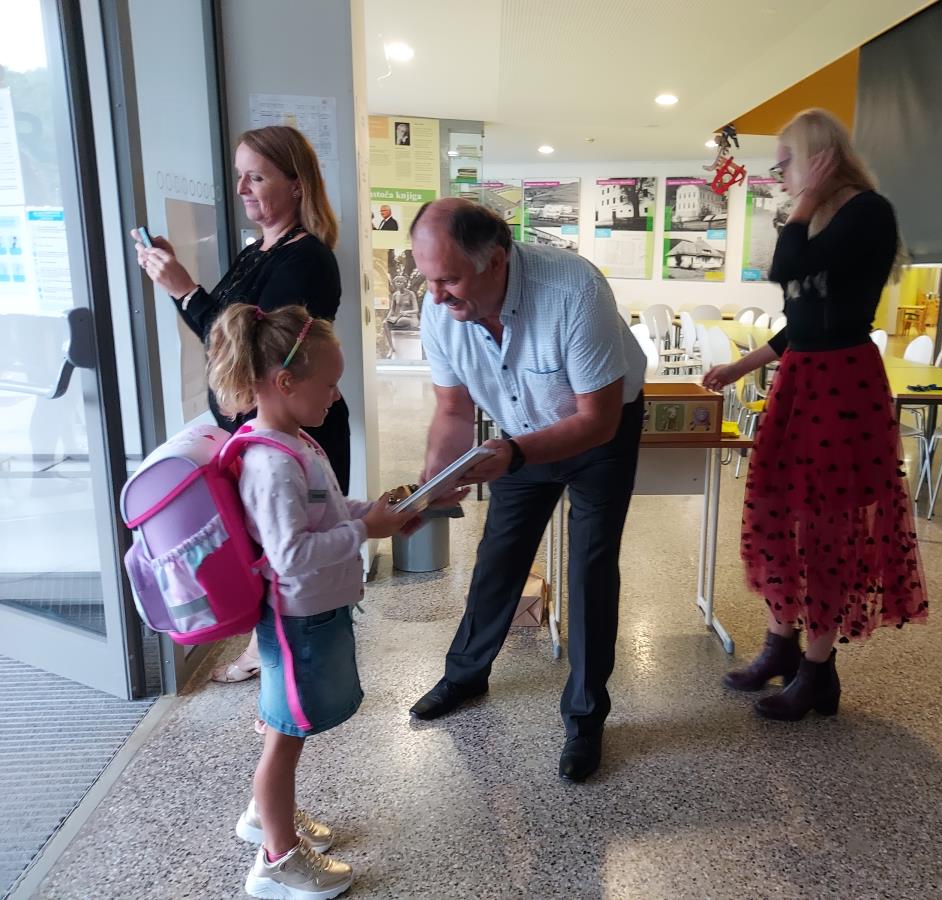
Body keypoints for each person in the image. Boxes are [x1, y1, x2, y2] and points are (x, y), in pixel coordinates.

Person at [407, 198, 646, 783]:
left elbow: (597, 420)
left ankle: (585, 717)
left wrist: (512, 454)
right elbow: (453, 409)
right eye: (427, 279)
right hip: (518, 429)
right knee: (500, 555)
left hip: (600, 432)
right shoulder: (441, 307)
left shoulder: (574, 289)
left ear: (496, 260)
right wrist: (434, 485)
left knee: (590, 568)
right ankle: (465, 675)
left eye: (449, 279)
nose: (435, 297)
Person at [702, 109, 927, 720]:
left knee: (827, 525)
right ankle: (781, 645)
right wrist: (741, 367)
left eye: (787, 163)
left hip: (842, 386)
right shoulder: (825, 217)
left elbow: (787, 268)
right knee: (782, 513)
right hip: (804, 378)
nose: (781, 175)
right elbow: (801, 322)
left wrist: (804, 202)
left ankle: (817, 671)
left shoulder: (866, 212)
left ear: (819, 160)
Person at [207, 304, 416, 898]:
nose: (336, 395)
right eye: (328, 384)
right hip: (296, 621)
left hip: (313, 614)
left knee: (288, 729)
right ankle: (276, 860)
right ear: (285, 382)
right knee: (284, 735)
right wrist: (366, 530)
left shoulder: (296, 442)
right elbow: (291, 554)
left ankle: (264, 816)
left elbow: (325, 510)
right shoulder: (271, 464)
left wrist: (372, 513)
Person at [134, 124, 350, 686]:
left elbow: (260, 353)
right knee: (265, 545)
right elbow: (225, 338)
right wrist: (183, 289)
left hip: (293, 430)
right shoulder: (258, 251)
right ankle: (276, 658)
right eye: (240, 176)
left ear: (296, 184)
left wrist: (184, 289)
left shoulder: (306, 260)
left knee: (289, 555)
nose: (241, 189)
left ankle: (291, 671)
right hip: (255, 426)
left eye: (256, 177)